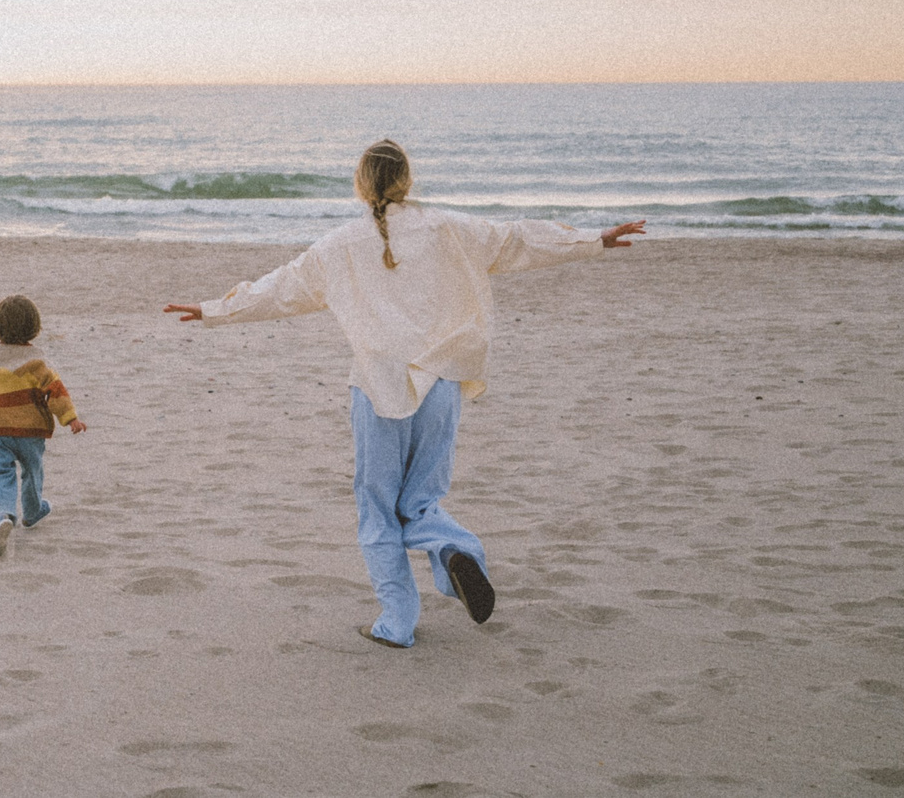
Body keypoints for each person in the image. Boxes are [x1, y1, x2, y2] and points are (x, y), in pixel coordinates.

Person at [165, 139, 645, 648]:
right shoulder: (449, 228)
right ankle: (453, 549)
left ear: (361, 183)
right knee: (421, 500)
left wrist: (213, 310)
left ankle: (397, 622)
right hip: (441, 381)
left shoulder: (340, 244)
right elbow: (516, 240)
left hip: (379, 387)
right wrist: (594, 239)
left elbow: (281, 289)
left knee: (377, 506)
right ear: (407, 180)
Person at [0, 293, 88, 556]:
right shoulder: (37, 361)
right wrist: (70, 419)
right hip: (29, 430)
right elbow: (55, 392)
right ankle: (32, 512)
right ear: (35, 329)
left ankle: (2, 516)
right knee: (32, 470)